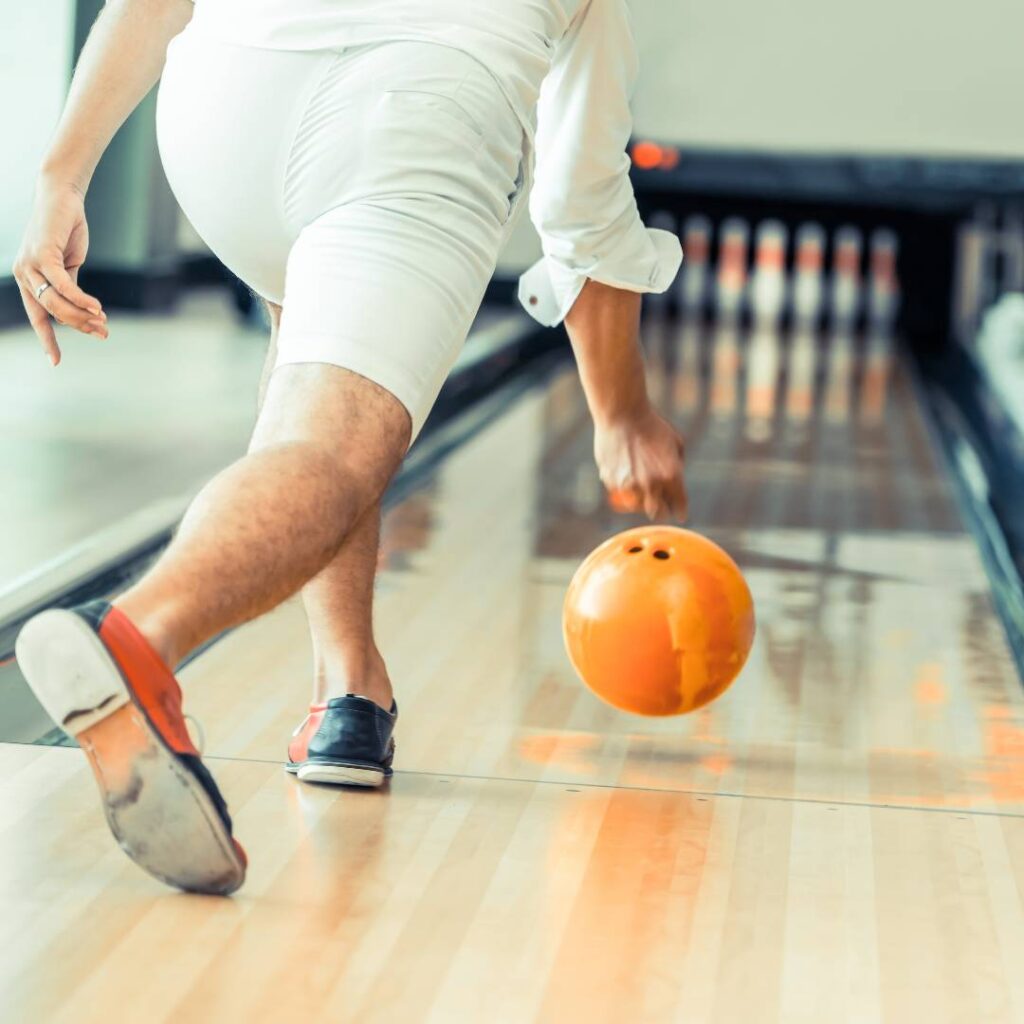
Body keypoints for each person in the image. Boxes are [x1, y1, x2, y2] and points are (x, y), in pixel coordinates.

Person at [12, 0, 688, 896]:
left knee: (324, 376)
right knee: (331, 448)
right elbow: (580, 199)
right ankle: (139, 636)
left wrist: (61, 173)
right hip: (413, 115)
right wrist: (623, 412)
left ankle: (349, 696)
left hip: (224, 107)